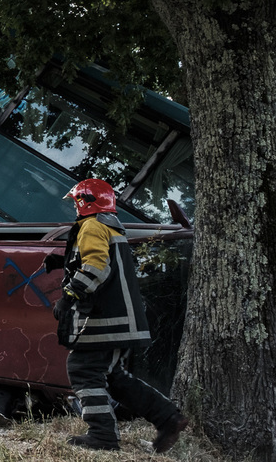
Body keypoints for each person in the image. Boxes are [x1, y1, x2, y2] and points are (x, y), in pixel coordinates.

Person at [50, 178, 189, 452]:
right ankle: (168, 418)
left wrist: (68, 296)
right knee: (114, 377)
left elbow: (96, 268)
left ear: (83, 202)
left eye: (76, 202)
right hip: (123, 320)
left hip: (104, 320)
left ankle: (102, 436)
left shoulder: (90, 225)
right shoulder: (111, 226)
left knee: (83, 369)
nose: (74, 209)